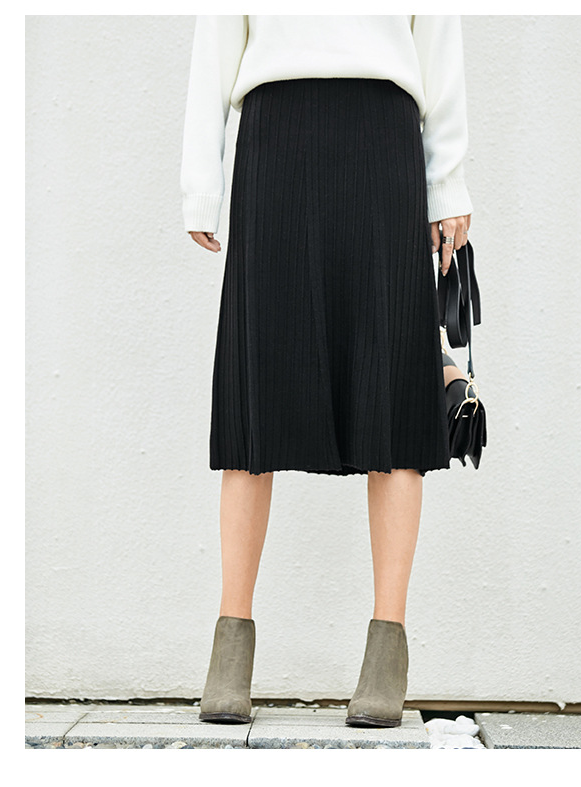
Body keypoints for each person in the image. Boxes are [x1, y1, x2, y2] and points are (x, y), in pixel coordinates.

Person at [180, 15, 473, 728]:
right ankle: (230, 650)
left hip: (385, 140)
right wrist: (201, 183)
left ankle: (386, 651)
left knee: (394, 397)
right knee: (256, 396)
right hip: (275, 140)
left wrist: (448, 185)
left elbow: (438, 44)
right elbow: (215, 42)